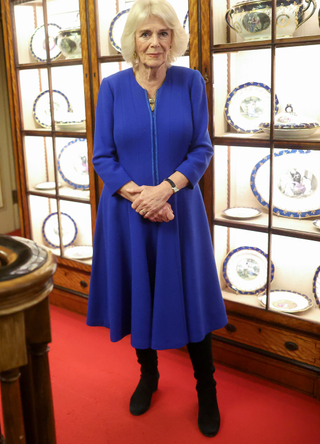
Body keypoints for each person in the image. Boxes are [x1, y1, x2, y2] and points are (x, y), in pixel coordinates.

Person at [86, 0, 228, 437]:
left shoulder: (191, 83)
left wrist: (166, 188)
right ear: (132, 40)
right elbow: (102, 157)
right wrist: (140, 197)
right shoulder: (111, 88)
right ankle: (149, 375)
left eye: (163, 33)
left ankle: (207, 388)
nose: (154, 43)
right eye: (145, 34)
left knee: (192, 299)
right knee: (138, 293)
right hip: (126, 215)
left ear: (174, 39)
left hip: (179, 212)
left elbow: (202, 148)